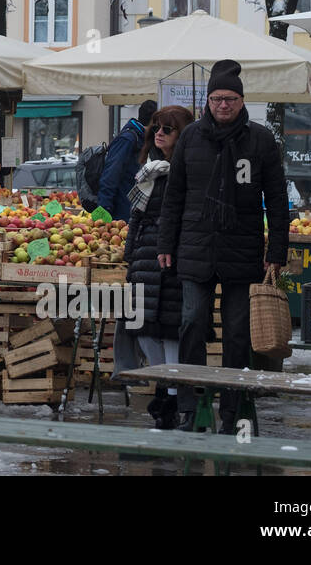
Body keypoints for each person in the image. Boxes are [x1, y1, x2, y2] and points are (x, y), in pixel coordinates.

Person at [157, 59, 289, 434]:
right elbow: (174, 196)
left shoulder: (261, 140)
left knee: (236, 334)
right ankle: (189, 407)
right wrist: (167, 242)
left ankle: (235, 410)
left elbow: (278, 201)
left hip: (243, 251)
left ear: (241, 100)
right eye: (217, 99)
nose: (223, 105)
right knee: (192, 325)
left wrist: (277, 251)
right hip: (195, 248)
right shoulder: (191, 139)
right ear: (208, 100)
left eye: (230, 99)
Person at [121, 105, 194, 429]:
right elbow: (136, 220)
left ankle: (173, 399)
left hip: (172, 267)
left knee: (170, 333)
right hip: (144, 267)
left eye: (168, 129)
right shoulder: (147, 173)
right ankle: (164, 391)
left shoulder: (185, 172)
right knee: (145, 333)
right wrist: (130, 257)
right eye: (156, 129)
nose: (159, 133)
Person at [97, 100, 158, 221]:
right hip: (119, 212)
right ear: (153, 121)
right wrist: (104, 212)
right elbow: (110, 174)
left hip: (130, 208)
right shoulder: (128, 139)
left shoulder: (142, 139)